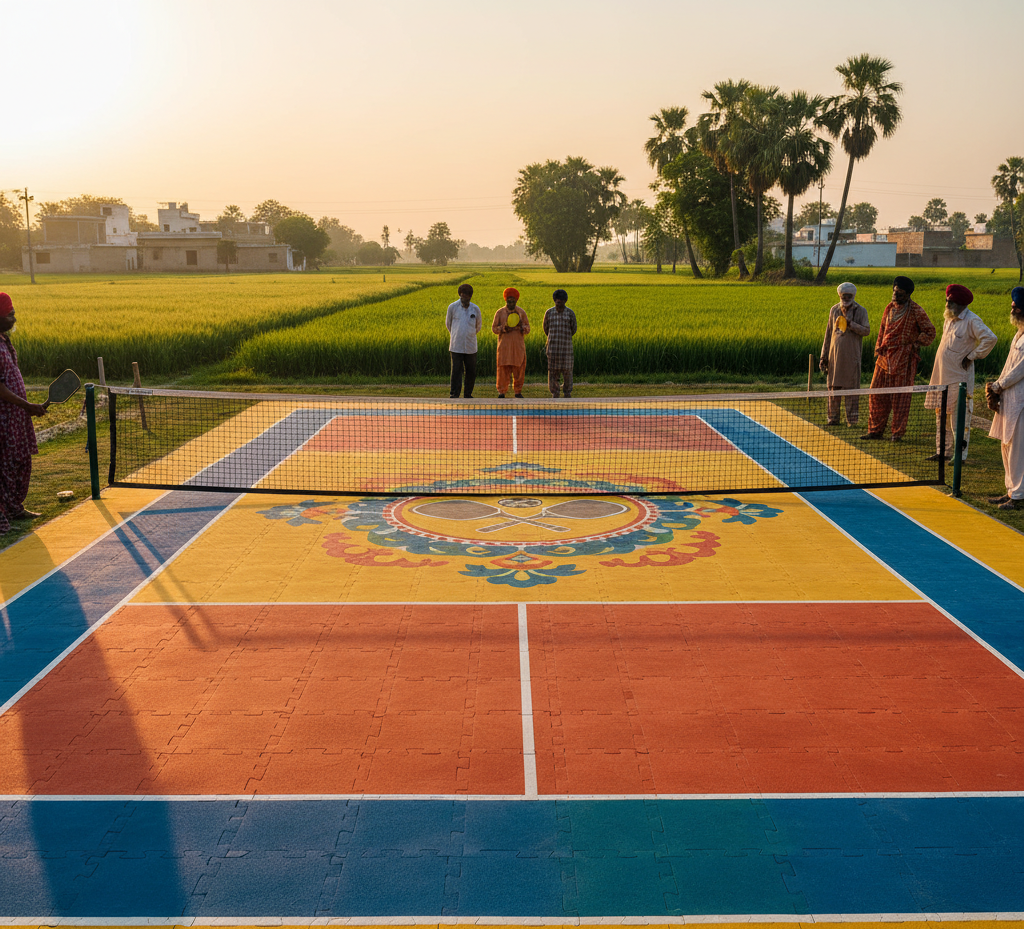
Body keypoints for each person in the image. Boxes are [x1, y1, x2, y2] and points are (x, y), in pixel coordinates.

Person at [924, 283, 997, 462]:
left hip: (959, 377)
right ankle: (943, 452)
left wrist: (972, 356)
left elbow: (990, 338)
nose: (947, 305)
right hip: (942, 374)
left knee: (959, 418)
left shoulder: (972, 320)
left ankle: (959, 456)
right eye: (947, 301)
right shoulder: (949, 317)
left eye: (951, 302)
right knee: (941, 415)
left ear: (962, 305)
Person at [861, 275, 936, 441]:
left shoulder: (916, 311)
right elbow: (882, 330)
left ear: (908, 295)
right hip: (884, 357)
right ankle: (875, 431)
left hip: (904, 360)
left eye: (900, 294)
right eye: (895, 292)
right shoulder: (889, 308)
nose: (896, 296)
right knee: (876, 394)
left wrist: (914, 344)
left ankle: (897, 433)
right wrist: (879, 348)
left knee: (900, 397)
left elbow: (930, 332)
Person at [0, 293, 49, 535]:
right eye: (9, 314)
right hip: (4, 420)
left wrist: (25, 408)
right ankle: (3, 514)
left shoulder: (4, 341)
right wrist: (27, 405)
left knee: (20, 461)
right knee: (4, 466)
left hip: (16, 417)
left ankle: (14, 507)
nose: (13, 317)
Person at [987, 287, 1024, 510]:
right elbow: (1009, 365)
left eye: (1016, 306)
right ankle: (1010, 489)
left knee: (1018, 447)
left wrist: (999, 385)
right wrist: (995, 388)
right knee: (1006, 444)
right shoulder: (1018, 333)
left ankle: (1019, 496)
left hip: (1020, 400)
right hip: (1008, 397)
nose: (1013, 308)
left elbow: (1020, 369)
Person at [820, 282, 870, 427]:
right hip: (834, 357)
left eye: (849, 296)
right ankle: (833, 418)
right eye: (843, 296)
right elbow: (828, 334)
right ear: (840, 295)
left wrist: (851, 324)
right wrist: (824, 356)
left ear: (853, 296)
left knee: (851, 389)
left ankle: (852, 420)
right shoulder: (834, 310)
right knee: (833, 388)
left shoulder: (861, 311)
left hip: (852, 357)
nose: (846, 298)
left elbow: (866, 331)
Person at [492, 287, 530, 398]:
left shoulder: (521, 312)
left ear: (516, 301)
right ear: (505, 301)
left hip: (518, 347)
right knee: (502, 370)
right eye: (509, 301)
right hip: (504, 347)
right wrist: (503, 329)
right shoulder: (499, 313)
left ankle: (518, 392)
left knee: (519, 370)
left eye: (513, 301)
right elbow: (494, 328)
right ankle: (502, 392)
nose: (511, 303)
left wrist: (522, 328)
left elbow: (528, 328)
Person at [445, 283, 482, 398]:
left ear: (470, 296)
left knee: (471, 371)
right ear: (460, 295)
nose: (464, 299)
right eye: (462, 297)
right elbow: (448, 324)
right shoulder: (452, 307)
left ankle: (468, 394)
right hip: (456, 345)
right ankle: (454, 393)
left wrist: (468, 334)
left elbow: (478, 326)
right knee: (456, 371)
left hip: (471, 346)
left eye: (467, 297)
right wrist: (458, 334)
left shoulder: (475, 309)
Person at [543, 289, 577, 399]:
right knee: (553, 372)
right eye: (558, 302)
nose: (560, 304)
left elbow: (574, 329)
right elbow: (546, 328)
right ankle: (555, 393)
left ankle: (567, 392)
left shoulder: (570, 313)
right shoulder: (549, 313)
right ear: (554, 301)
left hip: (566, 349)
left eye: (562, 302)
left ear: (565, 301)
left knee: (567, 371)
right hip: (553, 348)